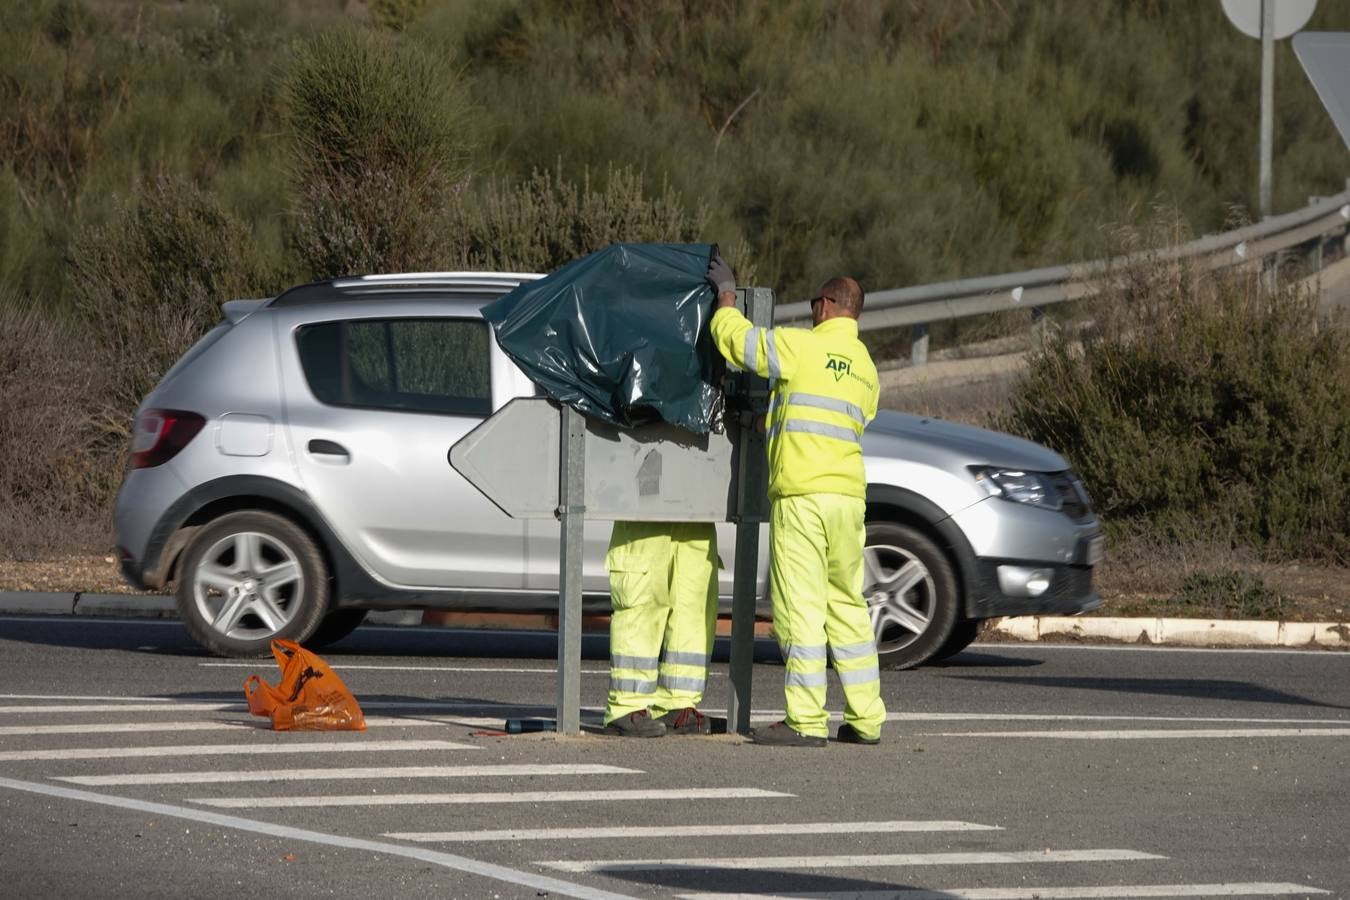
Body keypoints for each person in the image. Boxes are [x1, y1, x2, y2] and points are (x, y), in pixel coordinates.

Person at [705, 254, 885, 747]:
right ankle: (866, 718)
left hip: (802, 497)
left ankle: (805, 721)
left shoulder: (801, 346)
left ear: (827, 305)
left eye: (813, 304)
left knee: (800, 608)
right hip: (848, 500)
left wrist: (725, 298)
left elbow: (742, 344)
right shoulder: (867, 369)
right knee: (847, 605)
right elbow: (830, 418)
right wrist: (773, 423)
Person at [602, 520, 720, 737]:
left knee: (692, 607)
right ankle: (627, 708)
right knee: (641, 606)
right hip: (644, 508)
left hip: (696, 511)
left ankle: (677, 704)